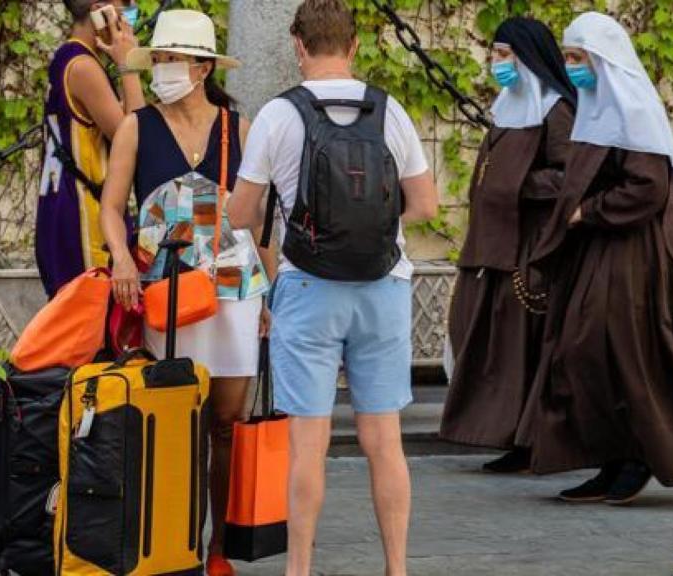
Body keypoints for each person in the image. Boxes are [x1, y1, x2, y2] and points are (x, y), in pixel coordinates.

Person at [226, 1, 438, 575]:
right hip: (382, 286)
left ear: (297, 45)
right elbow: (425, 204)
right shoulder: (389, 112)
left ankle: (299, 569)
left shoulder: (278, 115)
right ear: (354, 46)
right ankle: (396, 568)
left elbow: (243, 214)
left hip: (308, 287)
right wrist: (374, 219)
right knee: (384, 440)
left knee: (308, 444)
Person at [516, 12, 673, 505]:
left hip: (631, 255)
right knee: (595, 352)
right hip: (600, 251)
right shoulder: (596, 109)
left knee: (623, 352)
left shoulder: (633, 113)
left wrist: (590, 210)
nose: (570, 67)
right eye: (566, 57)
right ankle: (617, 457)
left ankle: (639, 456)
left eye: (577, 58)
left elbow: (647, 188)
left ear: (603, 63)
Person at [100, 10, 273, 576]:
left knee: (224, 422)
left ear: (201, 68)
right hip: (166, 287)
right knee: (171, 419)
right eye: (160, 59)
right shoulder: (136, 125)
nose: (164, 70)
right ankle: (168, 545)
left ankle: (217, 547)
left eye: (174, 59)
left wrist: (272, 294)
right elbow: (110, 205)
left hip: (234, 288)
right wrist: (122, 256)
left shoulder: (238, 129)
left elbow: (260, 221)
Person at [439, 17, 576, 474]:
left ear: (526, 57)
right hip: (493, 246)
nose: (495, 63)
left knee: (524, 349)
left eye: (503, 54)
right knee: (491, 344)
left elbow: (570, 178)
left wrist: (518, 182)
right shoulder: (509, 105)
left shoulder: (555, 110)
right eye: (494, 53)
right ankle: (508, 437)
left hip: (529, 249)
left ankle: (532, 442)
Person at [37, 0, 145, 298]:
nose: (131, 16)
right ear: (103, 10)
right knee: (90, 330)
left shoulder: (67, 57)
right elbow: (137, 134)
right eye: (126, 8)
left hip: (60, 208)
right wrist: (128, 63)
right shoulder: (83, 67)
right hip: (84, 217)